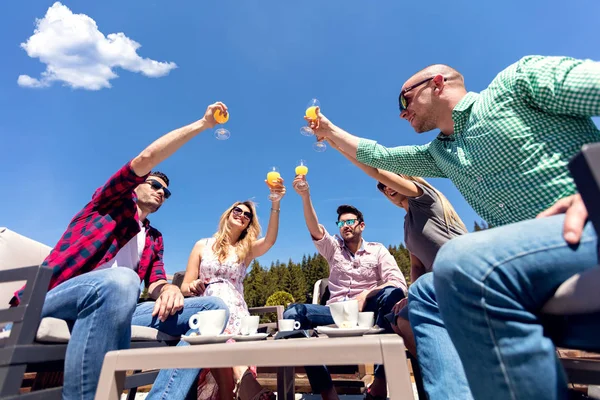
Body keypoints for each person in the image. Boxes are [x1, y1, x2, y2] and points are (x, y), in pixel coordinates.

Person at [306, 55, 600, 399]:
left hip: (589, 227)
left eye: (405, 99)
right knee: (424, 295)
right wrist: (329, 131)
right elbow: (379, 158)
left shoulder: (518, 83)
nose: (402, 112)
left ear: (438, 83)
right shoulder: (440, 154)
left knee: (460, 262)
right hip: (529, 265)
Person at [10, 102, 232, 400]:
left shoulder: (153, 237)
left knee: (213, 309)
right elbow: (146, 157)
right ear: (138, 185)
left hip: (120, 308)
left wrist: (168, 289)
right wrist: (204, 125)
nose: (161, 193)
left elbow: (154, 280)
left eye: (166, 193)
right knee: (122, 280)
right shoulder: (107, 203)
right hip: (55, 298)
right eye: (155, 185)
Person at [325, 137, 467, 357]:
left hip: (462, 276)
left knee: (407, 321)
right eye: (383, 187)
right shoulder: (407, 223)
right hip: (435, 287)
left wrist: (338, 145)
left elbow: (378, 172)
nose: (386, 188)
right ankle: (430, 376)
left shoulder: (424, 197)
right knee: (399, 320)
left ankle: (442, 370)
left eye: (391, 180)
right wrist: (412, 297)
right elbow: (417, 267)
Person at [284, 178, 407, 400]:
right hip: (335, 311)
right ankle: (326, 390)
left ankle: (380, 383)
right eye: (341, 224)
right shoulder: (333, 248)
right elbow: (314, 227)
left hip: (367, 312)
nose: (346, 226)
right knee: (292, 314)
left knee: (394, 296)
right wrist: (305, 196)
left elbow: (397, 282)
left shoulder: (377, 251)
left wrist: (366, 294)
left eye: (350, 222)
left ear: (362, 225)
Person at [180, 187, 286, 400]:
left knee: (224, 339)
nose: (242, 216)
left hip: (236, 309)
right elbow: (185, 285)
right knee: (217, 334)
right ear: (227, 215)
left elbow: (270, 240)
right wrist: (193, 286)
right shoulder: (202, 245)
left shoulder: (244, 250)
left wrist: (276, 203)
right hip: (207, 308)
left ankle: (237, 384)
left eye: (248, 215)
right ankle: (244, 380)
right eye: (237, 211)